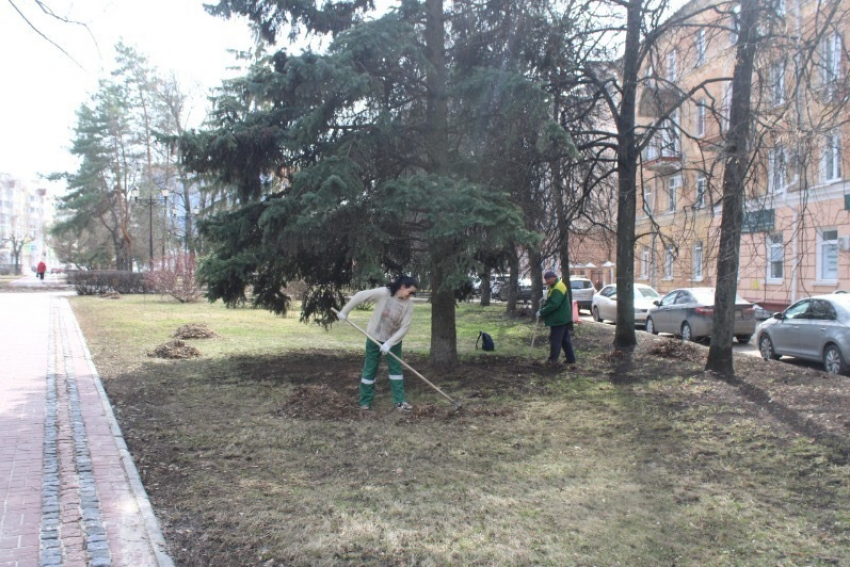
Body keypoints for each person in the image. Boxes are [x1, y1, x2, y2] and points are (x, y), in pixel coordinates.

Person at [337, 275, 419, 411]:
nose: (412, 295)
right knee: (370, 369)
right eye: (411, 292)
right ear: (403, 287)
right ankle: (365, 402)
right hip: (374, 337)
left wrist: (390, 343)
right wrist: (345, 312)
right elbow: (360, 296)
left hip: (393, 341)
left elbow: (405, 327)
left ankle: (400, 402)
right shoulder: (383, 293)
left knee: (396, 371)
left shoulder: (408, 305)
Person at [537, 269, 577, 367]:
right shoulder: (554, 285)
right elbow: (551, 299)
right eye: (546, 279)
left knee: (555, 339)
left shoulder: (558, 288)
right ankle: (571, 359)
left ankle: (552, 360)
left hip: (559, 318)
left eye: (548, 279)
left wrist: (541, 312)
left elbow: (554, 304)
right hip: (563, 317)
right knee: (564, 339)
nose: (547, 281)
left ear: (554, 277)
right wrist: (545, 298)